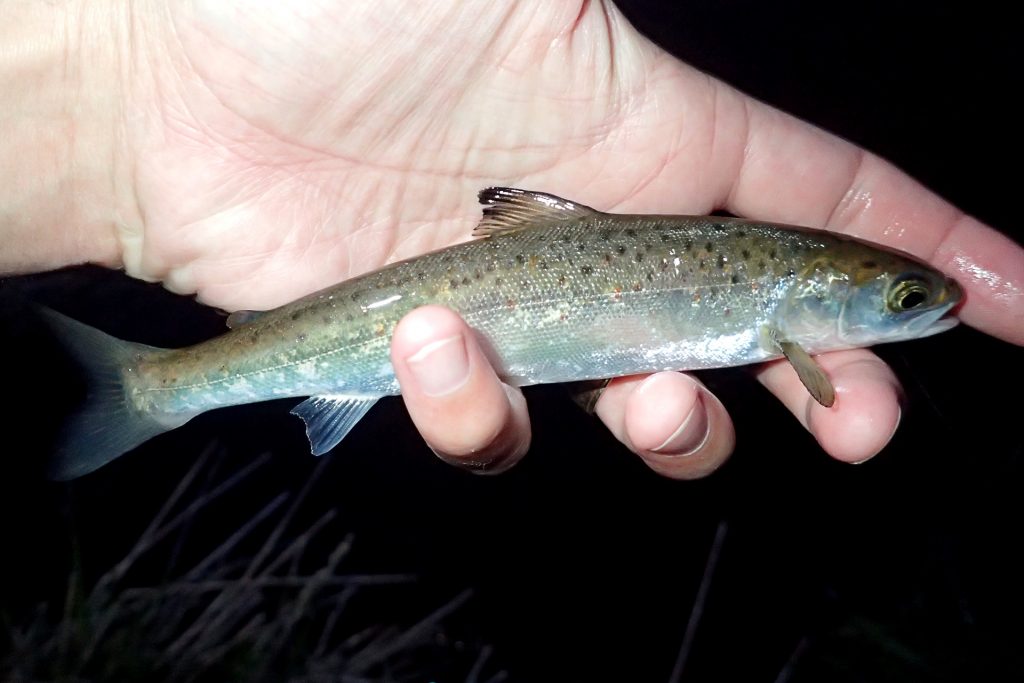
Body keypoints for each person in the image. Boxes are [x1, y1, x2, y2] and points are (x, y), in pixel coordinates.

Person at [2, 2, 1020, 480]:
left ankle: (162, 385)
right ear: (816, 299)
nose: (922, 307)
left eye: (899, 298)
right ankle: (156, 386)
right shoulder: (776, 303)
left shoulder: (778, 291)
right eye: (896, 297)